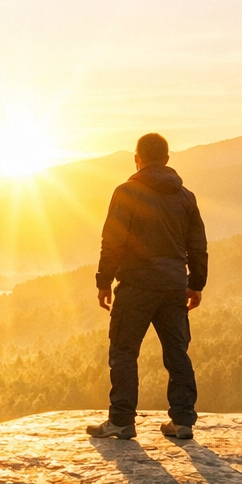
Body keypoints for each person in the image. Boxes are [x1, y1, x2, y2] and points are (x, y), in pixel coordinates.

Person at [88, 132, 208, 440]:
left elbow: (112, 241)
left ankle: (122, 421)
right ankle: (182, 421)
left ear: (137, 159)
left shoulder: (126, 192)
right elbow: (197, 246)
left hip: (136, 286)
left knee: (124, 351)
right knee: (177, 352)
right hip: (173, 285)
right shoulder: (186, 197)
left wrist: (103, 281)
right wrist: (196, 284)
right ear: (167, 160)